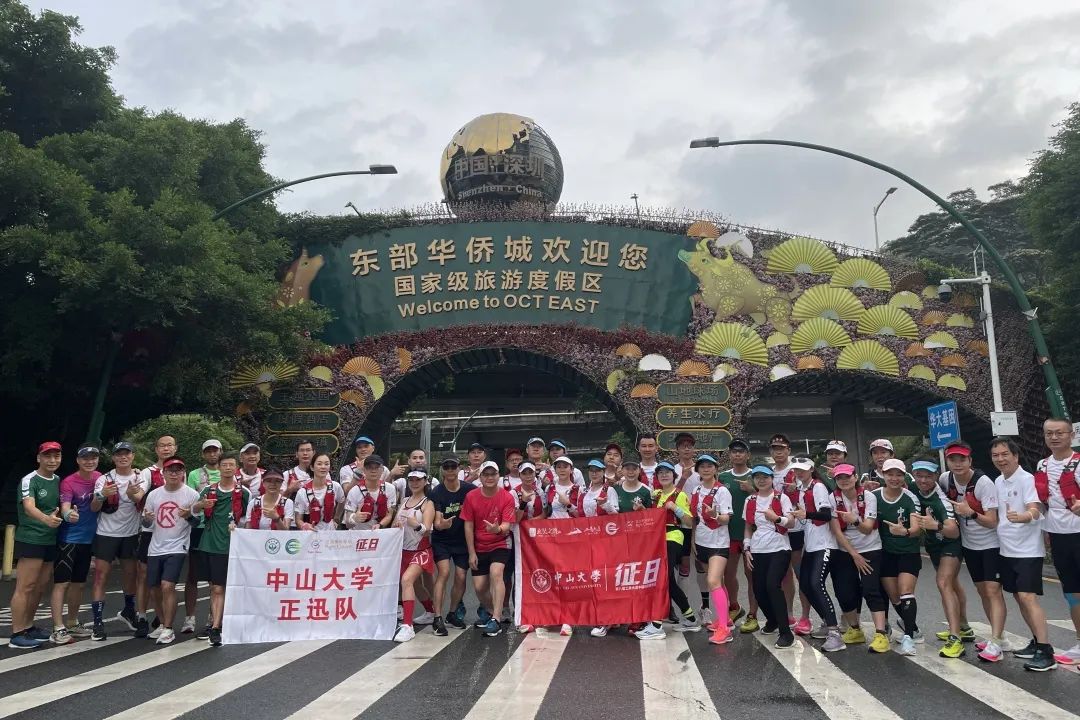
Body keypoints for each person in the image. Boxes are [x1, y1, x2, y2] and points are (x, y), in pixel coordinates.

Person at [991, 437, 1056, 671]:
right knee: (1019, 597)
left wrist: (1023, 517)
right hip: (1006, 549)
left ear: (1015, 456)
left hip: (1028, 550)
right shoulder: (998, 481)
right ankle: (1036, 641)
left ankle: (1046, 651)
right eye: (996, 455)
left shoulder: (1027, 479)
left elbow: (1035, 509)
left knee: (1028, 597)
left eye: (1005, 454)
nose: (1000, 459)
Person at [939, 441, 1007, 660]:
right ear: (947, 461)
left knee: (993, 590)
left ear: (970, 460)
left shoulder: (983, 483)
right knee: (982, 591)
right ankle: (997, 636)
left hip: (991, 544)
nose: (958, 464)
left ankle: (997, 641)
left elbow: (992, 521)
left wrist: (971, 513)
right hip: (970, 546)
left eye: (962, 459)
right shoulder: (945, 479)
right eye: (953, 459)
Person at [828, 464, 890, 653]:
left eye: (847, 477)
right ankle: (855, 629)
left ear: (855, 477)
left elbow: (868, 528)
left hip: (870, 548)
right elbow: (836, 531)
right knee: (844, 592)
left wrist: (854, 520)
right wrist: (854, 555)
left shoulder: (868, 497)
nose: (844, 481)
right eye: (839, 478)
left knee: (871, 589)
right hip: (846, 550)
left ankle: (881, 634)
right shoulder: (833, 498)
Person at [8, 442, 63, 649]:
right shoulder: (29, 480)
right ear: (39, 458)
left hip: (50, 539)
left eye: (56, 456)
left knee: (40, 587)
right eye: (47, 456)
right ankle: (17, 633)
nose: (52, 460)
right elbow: (29, 507)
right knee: (26, 586)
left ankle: (29, 626)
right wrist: (46, 520)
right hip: (31, 538)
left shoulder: (57, 480)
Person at [1035, 418, 1080, 667]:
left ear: (1071, 435)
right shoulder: (1042, 465)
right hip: (1058, 536)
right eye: (1049, 433)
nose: (1054, 437)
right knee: (1072, 594)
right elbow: (1042, 502)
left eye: (1059, 433)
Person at [141, 457, 201, 645]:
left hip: (178, 546)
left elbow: (197, 522)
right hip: (156, 546)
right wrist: (147, 519)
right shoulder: (154, 495)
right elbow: (146, 523)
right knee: (154, 588)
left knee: (167, 585)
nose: (174, 474)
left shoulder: (192, 495)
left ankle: (168, 628)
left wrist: (188, 516)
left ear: (183, 473)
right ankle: (161, 623)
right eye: (170, 470)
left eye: (178, 470)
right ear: (163, 473)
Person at [193, 454, 250, 647]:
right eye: (224, 465)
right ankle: (215, 621)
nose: (227, 468)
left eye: (231, 465)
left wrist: (239, 528)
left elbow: (249, 518)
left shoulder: (243, 492)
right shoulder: (209, 489)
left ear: (236, 468)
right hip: (209, 543)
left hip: (230, 545)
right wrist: (202, 504)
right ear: (219, 468)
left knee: (219, 587)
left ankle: (216, 627)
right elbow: (194, 510)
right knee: (214, 587)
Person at [910, 460, 966, 658]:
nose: (923, 480)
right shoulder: (912, 488)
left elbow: (953, 531)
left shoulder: (941, 500)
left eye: (928, 476)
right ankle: (964, 627)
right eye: (919, 476)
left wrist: (936, 526)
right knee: (953, 584)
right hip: (933, 545)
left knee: (943, 582)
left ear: (935, 476)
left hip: (950, 544)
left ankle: (955, 638)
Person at [639, 461, 699, 639]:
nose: (664, 475)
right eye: (660, 473)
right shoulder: (656, 494)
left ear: (674, 475)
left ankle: (657, 624)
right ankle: (691, 619)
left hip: (673, 537)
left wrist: (676, 509)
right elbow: (652, 518)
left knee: (662, 579)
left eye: (667, 472)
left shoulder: (679, 495)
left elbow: (689, 522)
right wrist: (642, 509)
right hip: (657, 540)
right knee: (669, 581)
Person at [791, 458, 845, 652]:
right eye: (796, 469)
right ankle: (827, 623)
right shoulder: (802, 489)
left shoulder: (818, 486)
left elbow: (825, 514)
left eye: (803, 469)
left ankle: (835, 634)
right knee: (806, 585)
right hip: (811, 545)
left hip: (825, 544)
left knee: (815, 584)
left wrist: (806, 514)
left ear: (811, 469)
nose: (799, 472)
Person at [89, 441, 142, 641]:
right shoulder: (104, 479)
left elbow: (142, 498)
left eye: (127, 454)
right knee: (101, 576)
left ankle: (129, 610)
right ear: (113, 458)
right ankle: (97, 622)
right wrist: (102, 495)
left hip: (130, 534)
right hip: (106, 534)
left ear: (133, 456)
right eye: (119, 454)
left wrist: (133, 493)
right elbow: (94, 507)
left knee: (131, 575)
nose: (123, 457)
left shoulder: (139, 477)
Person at [50, 445, 101, 644]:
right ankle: (58, 627)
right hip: (69, 539)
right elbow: (65, 507)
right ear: (78, 461)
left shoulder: (100, 478)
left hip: (88, 540)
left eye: (93, 458)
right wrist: (68, 514)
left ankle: (72, 622)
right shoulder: (69, 482)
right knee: (62, 583)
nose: (89, 461)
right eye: (85, 458)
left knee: (79, 584)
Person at [744, 464, 797, 649]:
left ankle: (786, 633)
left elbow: (791, 523)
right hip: (757, 549)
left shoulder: (781, 498)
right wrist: (747, 548)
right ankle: (772, 620)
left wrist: (776, 518)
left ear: (772, 479)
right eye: (757, 477)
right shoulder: (750, 499)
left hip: (779, 548)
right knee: (759, 590)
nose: (761, 480)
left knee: (772, 586)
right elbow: (748, 526)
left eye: (765, 477)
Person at [461, 461, 516, 638]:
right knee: (479, 588)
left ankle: (496, 619)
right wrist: (471, 552)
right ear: (480, 477)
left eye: (493, 474)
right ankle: (492, 612)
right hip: (479, 545)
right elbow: (468, 525)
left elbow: (507, 525)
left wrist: (497, 529)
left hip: (500, 542)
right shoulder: (471, 496)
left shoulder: (507, 497)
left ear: (498, 476)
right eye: (486, 474)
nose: (490, 478)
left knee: (496, 573)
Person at [874, 458, 922, 657]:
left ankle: (909, 637)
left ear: (904, 477)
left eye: (898, 475)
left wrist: (906, 532)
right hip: (885, 552)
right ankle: (913, 627)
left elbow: (917, 528)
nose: (894, 478)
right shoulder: (873, 496)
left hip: (908, 551)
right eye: (890, 474)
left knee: (905, 591)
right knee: (894, 596)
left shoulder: (910, 498)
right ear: (883, 475)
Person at [132, 434, 175, 638]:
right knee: (144, 574)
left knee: (166, 579)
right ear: (156, 449)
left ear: (175, 448)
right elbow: (138, 495)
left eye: (169, 445)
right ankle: (141, 616)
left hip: (173, 532)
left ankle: (163, 617)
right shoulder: (148, 473)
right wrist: (133, 493)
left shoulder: (180, 471)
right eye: (162, 446)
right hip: (150, 530)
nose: (166, 449)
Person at [689, 454, 735, 645]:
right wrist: (693, 540)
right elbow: (695, 518)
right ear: (698, 470)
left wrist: (715, 514)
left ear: (716, 469)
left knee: (713, 580)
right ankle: (726, 619)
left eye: (709, 466)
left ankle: (724, 629)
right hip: (702, 542)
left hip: (718, 543)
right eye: (702, 466)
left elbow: (726, 518)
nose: (706, 469)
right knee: (717, 583)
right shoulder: (697, 489)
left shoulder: (722, 491)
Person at [429, 456, 476, 636]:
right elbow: (437, 521)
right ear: (442, 469)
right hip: (442, 540)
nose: (450, 470)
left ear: (459, 468)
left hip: (462, 540)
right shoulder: (436, 492)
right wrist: (441, 525)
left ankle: (452, 613)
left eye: (453, 466)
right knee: (444, 572)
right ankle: (437, 617)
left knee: (461, 576)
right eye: (446, 467)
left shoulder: (469, 490)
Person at [183, 438, 222, 637]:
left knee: (216, 577)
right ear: (203, 454)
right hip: (198, 528)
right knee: (193, 575)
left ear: (220, 452)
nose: (212, 454)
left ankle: (212, 617)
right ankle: (189, 617)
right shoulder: (194, 475)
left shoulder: (228, 472)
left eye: (215, 450)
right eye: (208, 451)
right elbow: (190, 501)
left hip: (218, 529)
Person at [393, 470, 437, 643]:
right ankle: (430, 612)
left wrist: (416, 525)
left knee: (407, 580)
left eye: (418, 480)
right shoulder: (404, 501)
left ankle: (407, 625)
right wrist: (397, 524)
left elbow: (427, 530)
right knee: (415, 585)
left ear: (425, 481)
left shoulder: (428, 503)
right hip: (404, 550)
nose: (414, 483)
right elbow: (396, 523)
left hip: (421, 550)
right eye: (411, 480)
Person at [720, 439, 758, 632]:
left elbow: (769, 497)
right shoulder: (723, 476)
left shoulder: (756, 475)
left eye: (741, 451)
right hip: (729, 533)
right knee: (727, 573)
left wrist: (752, 490)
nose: (737, 454)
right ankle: (734, 606)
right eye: (734, 451)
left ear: (747, 455)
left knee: (751, 575)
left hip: (753, 533)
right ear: (729, 455)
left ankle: (753, 614)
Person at [769, 434, 805, 632]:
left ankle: (806, 616)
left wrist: (795, 490)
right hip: (776, 528)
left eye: (782, 448)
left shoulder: (797, 470)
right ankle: (789, 613)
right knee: (784, 575)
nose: (779, 452)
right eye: (775, 449)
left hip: (796, 528)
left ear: (789, 450)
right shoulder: (768, 473)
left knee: (800, 573)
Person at [512, 461, 547, 635]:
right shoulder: (514, 492)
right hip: (519, 538)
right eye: (524, 473)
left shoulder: (540, 491)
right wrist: (523, 503)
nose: (528, 476)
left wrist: (533, 522)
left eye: (530, 473)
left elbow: (545, 513)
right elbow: (515, 518)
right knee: (521, 575)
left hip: (538, 538)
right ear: (519, 475)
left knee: (540, 574)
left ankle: (540, 613)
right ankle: (521, 616)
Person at [672, 432, 701, 580]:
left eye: (689, 446)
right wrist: (683, 478)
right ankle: (683, 590)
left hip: (698, 518)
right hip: (679, 518)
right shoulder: (672, 470)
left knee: (700, 560)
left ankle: (705, 594)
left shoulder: (701, 468)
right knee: (684, 559)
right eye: (683, 446)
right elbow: (670, 494)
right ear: (677, 449)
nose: (687, 449)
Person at [343, 454, 396, 530]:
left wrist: (380, 525)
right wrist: (354, 518)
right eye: (369, 467)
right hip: (358, 533)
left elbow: (389, 515)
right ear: (364, 470)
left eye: (377, 467)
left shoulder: (390, 488)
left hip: (379, 532)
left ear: (383, 470)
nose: (373, 470)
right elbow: (348, 524)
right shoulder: (354, 491)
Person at [295, 452, 345, 531]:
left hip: (330, 532)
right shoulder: (302, 492)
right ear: (312, 467)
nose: (323, 467)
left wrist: (337, 518)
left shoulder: (336, 486)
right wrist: (305, 526)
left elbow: (342, 501)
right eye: (319, 464)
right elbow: (298, 520)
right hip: (311, 532)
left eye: (326, 464)